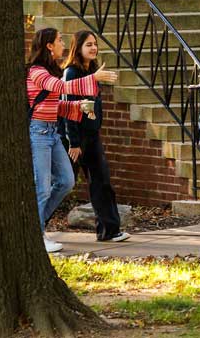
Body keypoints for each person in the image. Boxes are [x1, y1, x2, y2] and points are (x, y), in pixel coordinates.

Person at [26, 27, 117, 253]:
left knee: (66, 181)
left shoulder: (51, 70)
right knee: (43, 188)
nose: (62, 44)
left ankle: (32, 225)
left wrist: (77, 106)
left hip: (52, 133)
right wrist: (93, 78)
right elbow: (61, 87)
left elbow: (55, 105)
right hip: (38, 134)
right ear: (49, 45)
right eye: (59, 40)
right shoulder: (37, 71)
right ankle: (37, 235)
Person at [63, 29, 128, 243]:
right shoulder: (72, 73)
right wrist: (74, 142)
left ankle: (109, 230)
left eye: (95, 44)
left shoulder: (91, 69)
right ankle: (39, 227)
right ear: (78, 48)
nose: (93, 48)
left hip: (91, 135)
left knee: (102, 181)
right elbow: (69, 109)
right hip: (75, 138)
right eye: (88, 44)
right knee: (60, 184)